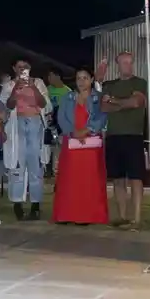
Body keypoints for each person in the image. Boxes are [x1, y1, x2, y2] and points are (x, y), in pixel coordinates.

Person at [52, 66, 108, 225]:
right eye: (78, 78)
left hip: (90, 144)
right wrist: (72, 132)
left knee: (89, 180)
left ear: (91, 80)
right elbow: (61, 117)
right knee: (69, 179)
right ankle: (66, 214)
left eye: (85, 78)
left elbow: (102, 117)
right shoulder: (68, 97)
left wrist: (87, 130)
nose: (81, 82)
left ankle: (86, 215)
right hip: (72, 143)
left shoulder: (98, 98)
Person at [99, 51, 148, 229]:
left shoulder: (139, 82)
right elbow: (104, 108)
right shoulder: (109, 84)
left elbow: (136, 102)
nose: (128, 66)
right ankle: (121, 216)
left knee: (136, 178)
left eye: (130, 62)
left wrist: (113, 101)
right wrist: (121, 103)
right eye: (124, 63)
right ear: (117, 65)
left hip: (133, 135)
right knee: (118, 179)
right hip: (113, 136)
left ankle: (136, 218)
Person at [0, 58, 52, 221]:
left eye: (25, 67)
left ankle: (36, 204)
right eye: (19, 67)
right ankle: (17, 204)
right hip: (17, 126)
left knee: (35, 166)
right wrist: (16, 88)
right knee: (18, 166)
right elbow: (6, 106)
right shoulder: (9, 86)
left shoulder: (38, 83)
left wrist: (32, 87)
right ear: (14, 68)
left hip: (35, 123)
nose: (22, 69)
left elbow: (45, 104)